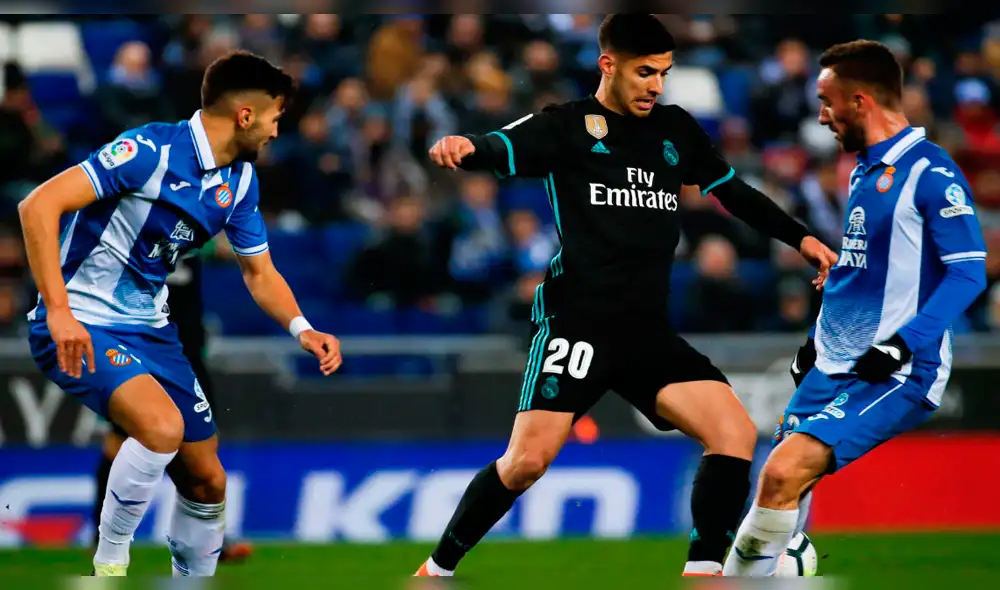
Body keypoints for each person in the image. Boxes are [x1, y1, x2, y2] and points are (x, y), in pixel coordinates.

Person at [416, 14, 838, 579]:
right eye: (644, 72)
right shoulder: (567, 125)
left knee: (732, 431)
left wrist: (802, 237)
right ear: (607, 64)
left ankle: (705, 571)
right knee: (525, 463)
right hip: (578, 325)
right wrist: (464, 146)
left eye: (663, 73)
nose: (655, 85)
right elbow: (499, 143)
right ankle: (437, 569)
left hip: (646, 332)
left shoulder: (676, 131)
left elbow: (732, 191)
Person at [19, 50, 342, 577]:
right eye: (275, 119)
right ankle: (108, 567)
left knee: (208, 482)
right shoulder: (147, 150)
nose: (276, 133)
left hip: (154, 331)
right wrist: (58, 311)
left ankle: (190, 584)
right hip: (83, 320)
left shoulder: (239, 183)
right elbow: (37, 206)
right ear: (245, 115)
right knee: (161, 428)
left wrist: (302, 328)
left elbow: (259, 273)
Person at [723, 40, 988, 577]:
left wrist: (900, 345)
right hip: (835, 362)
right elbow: (858, 272)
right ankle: (777, 569)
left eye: (826, 102)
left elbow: (968, 273)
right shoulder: (865, 172)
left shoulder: (930, 174)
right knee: (778, 490)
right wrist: (815, 342)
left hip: (897, 370)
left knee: (781, 473)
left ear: (860, 101)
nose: (820, 117)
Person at [91, 253, 252, 564]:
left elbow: (219, 244)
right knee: (118, 442)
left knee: (201, 447)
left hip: (187, 350)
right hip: (139, 347)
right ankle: (102, 534)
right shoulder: (133, 230)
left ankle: (209, 538)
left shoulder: (191, 223)